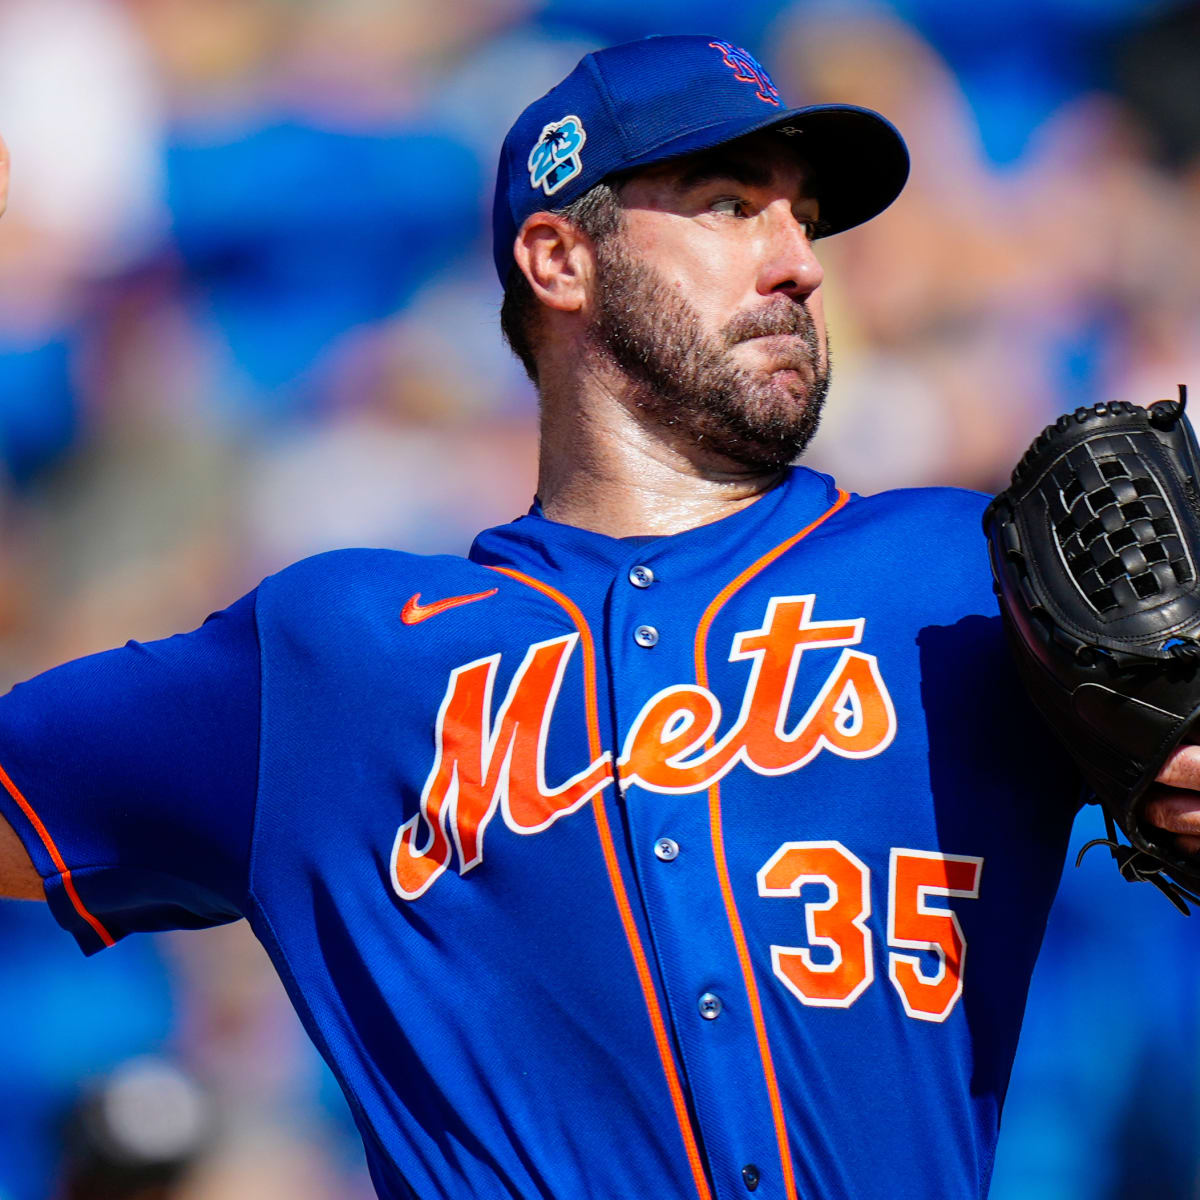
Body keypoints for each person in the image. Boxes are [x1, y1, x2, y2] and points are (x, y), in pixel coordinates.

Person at [0, 34, 1198, 1200]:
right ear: (559, 258)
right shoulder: (335, 664)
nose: (799, 262)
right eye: (733, 204)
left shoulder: (969, 578)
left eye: (805, 218)